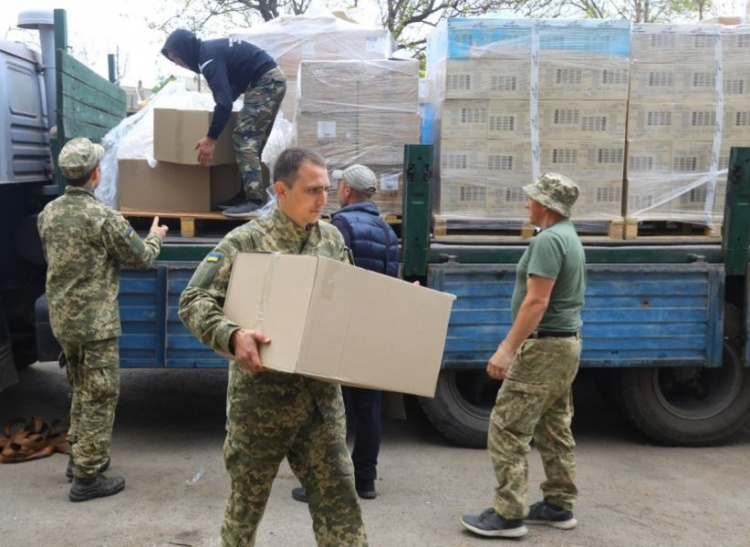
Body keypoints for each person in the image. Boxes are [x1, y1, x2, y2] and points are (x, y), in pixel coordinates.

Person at [178, 147, 368, 546]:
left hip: (321, 402)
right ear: (281, 190)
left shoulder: (332, 239)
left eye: (327, 190)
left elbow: (350, 302)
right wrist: (232, 335)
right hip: (261, 405)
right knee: (245, 510)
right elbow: (193, 300)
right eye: (312, 190)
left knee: (341, 507)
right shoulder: (245, 241)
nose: (323, 200)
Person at [37, 138, 168, 502]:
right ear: (97, 174)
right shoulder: (103, 217)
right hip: (95, 324)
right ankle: (86, 479)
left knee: (81, 388)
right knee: (100, 395)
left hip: (62, 319)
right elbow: (141, 257)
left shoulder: (49, 213)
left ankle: (80, 458)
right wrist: (155, 237)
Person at [460, 173, 586, 539]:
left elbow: (537, 301)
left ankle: (508, 514)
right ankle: (559, 505)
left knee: (507, 429)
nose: (527, 203)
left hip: (543, 348)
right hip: (565, 346)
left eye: (531, 199)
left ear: (545, 205)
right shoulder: (570, 237)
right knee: (555, 426)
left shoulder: (549, 241)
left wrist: (507, 348)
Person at [291, 164, 398, 503]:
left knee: (326, 406)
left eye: (337, 185)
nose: (335, 190)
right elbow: (390, 286)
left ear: (348, 190)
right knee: (368, 408)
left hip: (340, 327)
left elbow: (330, 280)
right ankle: (365, 480)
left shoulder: (340, 225)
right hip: (373, 328)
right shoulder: (387, 232)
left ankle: (324, 481)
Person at [161, 29, 286, 219]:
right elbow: (230, 91)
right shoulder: (209, 52)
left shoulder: (208, 59)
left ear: (185, 49)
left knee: (244, 138)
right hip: (267, 80)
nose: (177, 63)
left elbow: (224, 102)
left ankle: (253, 200)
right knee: (252, 140)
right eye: (172, 59)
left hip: (266, 82)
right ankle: (245, 195)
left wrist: (211, 138)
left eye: (175, 56)